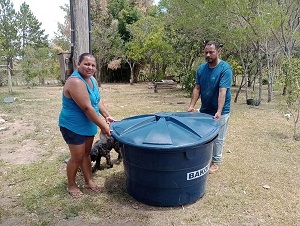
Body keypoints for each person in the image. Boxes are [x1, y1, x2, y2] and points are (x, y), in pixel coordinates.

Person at [59, 53, 115, 198]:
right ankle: (71, 185)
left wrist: (106, 115)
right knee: (77, 157)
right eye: (86, 64)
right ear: (78, 64)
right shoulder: (75, 82)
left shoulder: (92, 80)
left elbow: (97, 101)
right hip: (73, 126)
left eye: (92, 65)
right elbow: (87, 108)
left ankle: (89, 181)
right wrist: (103, 126)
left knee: (86, 154)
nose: (90, 67)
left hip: (89, 123)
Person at [188, 41, 232, 174]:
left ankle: (216, 161)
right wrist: (192, 106)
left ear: (218, 52)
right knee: (203, 135)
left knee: (218, 137)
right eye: (206, 52)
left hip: (221, 111)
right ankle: (204, 158)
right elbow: (197, 88)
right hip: (205, 109)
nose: (208, 55)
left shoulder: (225, 69)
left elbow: (222, 91)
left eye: (211, 52)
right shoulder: (201, 69)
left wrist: (219, 111)